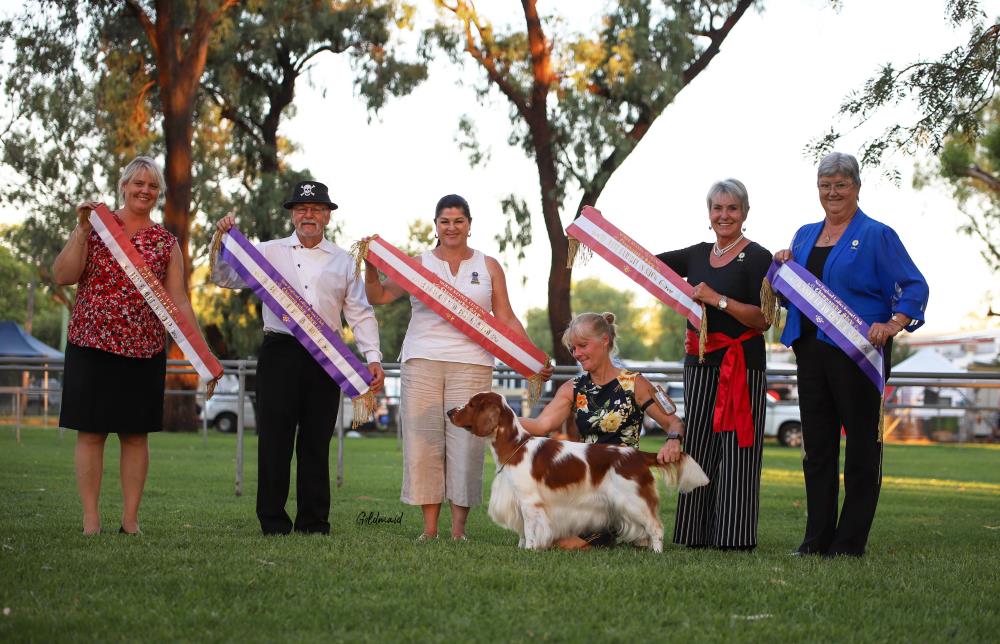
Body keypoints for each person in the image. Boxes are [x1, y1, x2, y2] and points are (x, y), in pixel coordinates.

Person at [363, 194, 549, 541]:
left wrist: (532, 356)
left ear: (469, 225)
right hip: (422, 359)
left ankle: (458, 531)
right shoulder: (417, 265)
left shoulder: (488, 265)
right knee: (424, 443)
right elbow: (379, 296)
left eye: (458, 221)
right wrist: (370, 266)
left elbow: (505, 317)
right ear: (435, 225)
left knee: (466, 445)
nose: (451, 227)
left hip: (472, 362)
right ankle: (429, 529)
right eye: (445, 221)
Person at [775, 152, 928, 557]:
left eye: (841, 184)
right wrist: (783, 266)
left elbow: (914, 286)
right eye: (825, 185)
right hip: (810, 353)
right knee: (817, 450)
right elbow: (793, 294)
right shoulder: (804, 235)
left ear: (857, 187)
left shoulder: (878, 235)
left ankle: (848, 543)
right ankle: (815, 540)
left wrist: (893, 324)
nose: (833, 192)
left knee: (861, 450)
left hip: (859, 354)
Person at [212, 181, 385, 536]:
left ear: (327, 216)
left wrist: (373, 356)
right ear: (292, 214)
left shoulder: (344, 260)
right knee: (273, 439)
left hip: (327, 357)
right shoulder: (267, 251)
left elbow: (360, 312)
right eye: (302, 209)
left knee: (316, 441)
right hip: (280, 352)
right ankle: (273, 521)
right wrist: (222, 239)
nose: (309, 215)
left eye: (316, 209)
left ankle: (313, 522)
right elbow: (224, 277)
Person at [54, 155, 213, 536]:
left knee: (135, 435)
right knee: (91, 432)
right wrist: (80, 231)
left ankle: (130, 520)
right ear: (123, 186)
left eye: (153, 185)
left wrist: (204, 355)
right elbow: (63, 275)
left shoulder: (166, 242)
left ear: (159, 193)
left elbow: (179, 301)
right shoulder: (96, 227)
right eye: (138, 183)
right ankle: (90, 519)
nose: (145, 190)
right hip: (90, 343)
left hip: (143, 350)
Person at [655, 178, 772, 551]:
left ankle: (734, 537)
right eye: (717, 208)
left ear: (745, 212)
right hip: (699, 361)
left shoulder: (758, 257)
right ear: (709, 213)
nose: (724, 215)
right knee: (698, 444)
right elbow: (650, 265)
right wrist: (602, 232)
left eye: (732, 208)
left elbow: (763, 319)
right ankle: (693, 533)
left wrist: (717, 300)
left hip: (742, 364)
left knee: (738, 449)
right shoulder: (696, 254)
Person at [519, 312, 685, 549]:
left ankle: (621, 527)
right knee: (547, 536)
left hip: (623, 481)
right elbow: (541, 425)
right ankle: (619, 530)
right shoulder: (573, 388)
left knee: (561, 543)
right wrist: (504, 417)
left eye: (582, 346)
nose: (577, 354)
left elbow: (674, 423)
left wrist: (673, 439)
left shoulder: (634, 383)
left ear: (604, 340)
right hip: (587, 484)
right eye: (573, 348)